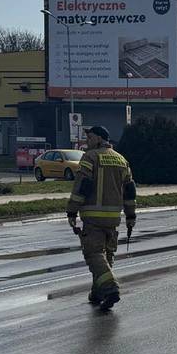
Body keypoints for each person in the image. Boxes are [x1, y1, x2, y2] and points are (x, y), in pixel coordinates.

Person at [67, 126, 137, 311]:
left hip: (93, 217)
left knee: (93, 253)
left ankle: (110, 288)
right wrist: (131, 215)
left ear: (99, 138)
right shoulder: (121, 160)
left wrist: (71, 211)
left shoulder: (90, 157)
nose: (87, 141)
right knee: (106, 256)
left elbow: (81, 187)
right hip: (113, 218)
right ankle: (98, 293)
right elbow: (129, 191)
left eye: (90, 137)